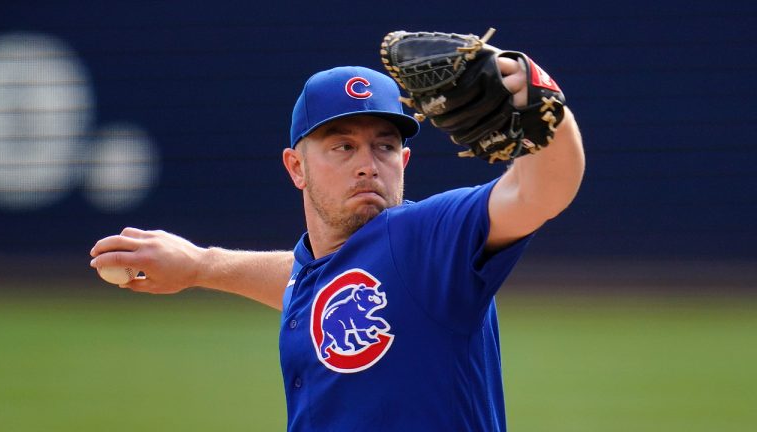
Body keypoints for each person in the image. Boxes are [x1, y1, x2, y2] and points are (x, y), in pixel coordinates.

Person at [90, 55, 584, 431]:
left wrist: (543, 103)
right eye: (343, 146)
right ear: (296, 167)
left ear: (404, 162)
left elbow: (540, 191)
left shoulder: (431, 239)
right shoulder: (320, 269)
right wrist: (200, 265)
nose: (367, 162)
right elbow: (310, 282)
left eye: (385, 145)